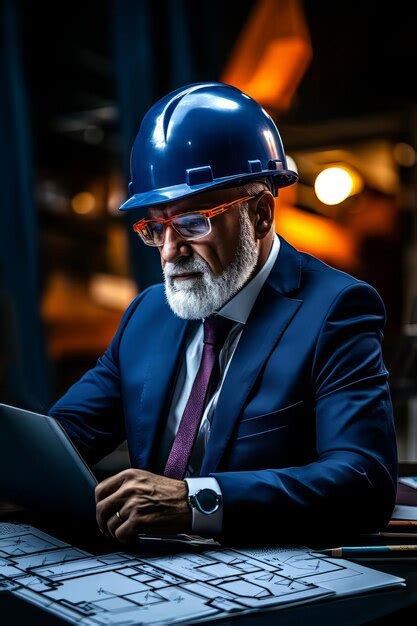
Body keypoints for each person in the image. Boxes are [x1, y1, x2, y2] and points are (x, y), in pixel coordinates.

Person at [48, 82, 397, 544]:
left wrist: (196, 502)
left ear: (260, 214)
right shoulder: (148, 314)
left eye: (193, 222)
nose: (170, 251)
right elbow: (59, 441)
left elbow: (363, 481)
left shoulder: (336, 310)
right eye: (155, 227)